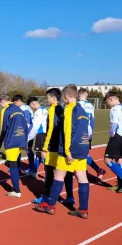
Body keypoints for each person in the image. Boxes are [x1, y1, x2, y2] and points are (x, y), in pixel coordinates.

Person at [34, 84, 91, 219]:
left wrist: (67, 151)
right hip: (82, 149)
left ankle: (50, 206)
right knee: (82, 178)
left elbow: (67, 131)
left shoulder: (69, 109)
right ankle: (83, 209)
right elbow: (86, 131)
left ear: (66, 96)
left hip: (68, 151)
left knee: (58, 177)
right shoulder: (82, 110)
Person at [32, 88, 69, 204]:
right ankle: (66, 195)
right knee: (60, 172)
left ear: (54, 98)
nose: (46, 100)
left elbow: (51, 130)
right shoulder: (60, 109)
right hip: (58, 144)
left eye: (47, 98)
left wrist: (45, 147)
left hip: (53, 146)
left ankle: (46, 196)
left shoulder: (54, 109)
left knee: (49, 171)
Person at [0, 94, 28, 198]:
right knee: (15, 163)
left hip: (12, 141)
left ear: (3, 101)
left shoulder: (6, 110)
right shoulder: (20, 110)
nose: (0, 106)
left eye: (0, 103)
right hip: (21, 140)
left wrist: (0, 143)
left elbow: (4, 128)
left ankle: (16, 190)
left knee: (13, 166)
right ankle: (16, 188)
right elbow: (25, 126)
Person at [103, 90, 122, 193]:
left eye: (108, 102)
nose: (108, 105)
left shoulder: (114, 109)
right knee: (120, 160)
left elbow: (114, 123)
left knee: (107, 160)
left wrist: (111, 133)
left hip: (117, 136)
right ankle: (120, 184)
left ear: (111, 99)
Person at [78, 88, 106, 180]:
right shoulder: (90, 105)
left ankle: (98, 169)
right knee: (82, 153)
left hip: (80, 132)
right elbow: (92, 120)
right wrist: (91, 133)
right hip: (88, 132)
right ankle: (78, 171)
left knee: (80, 154)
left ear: (78, 95)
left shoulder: (78, 105)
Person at [26, 97, 48, 178]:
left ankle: (47, 176)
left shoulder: (38, 112)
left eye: (31, 107)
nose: (31, 109)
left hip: (41, 135)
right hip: (45, 135)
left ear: (32, 104)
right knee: (39, 155)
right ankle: (34, 171)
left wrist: (29, 137)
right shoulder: (45, 110)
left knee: (43, 155)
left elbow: (35, 126)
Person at [13, 95, 34, 174]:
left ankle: (29, 168)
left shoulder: (23, 109)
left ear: (18, 101)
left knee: (23, 150)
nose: (15, 105)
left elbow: (27, 123)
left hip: (25, 133)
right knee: (27, 150)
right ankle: (22, 167)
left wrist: (23, 133)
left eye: (15, 103)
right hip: (29, 133)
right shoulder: (27, 108)